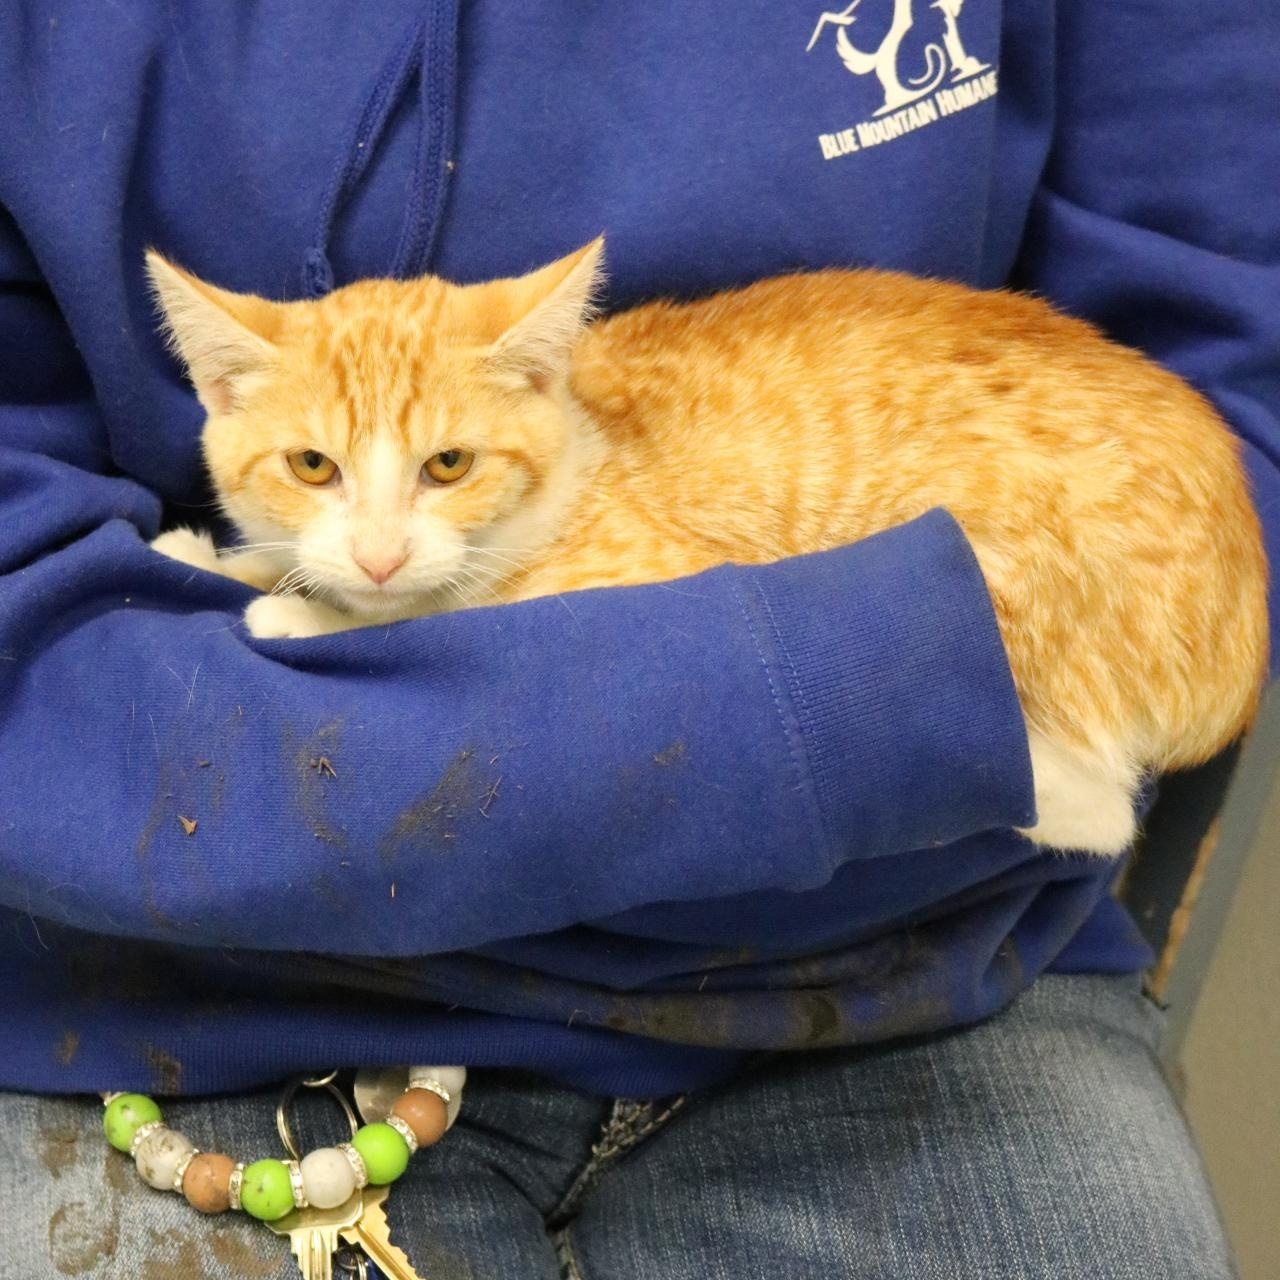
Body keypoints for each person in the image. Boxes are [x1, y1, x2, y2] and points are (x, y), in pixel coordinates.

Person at [1, 3, 1273, 1276]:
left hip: (910, 957)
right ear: (218, 398)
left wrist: (898, 707)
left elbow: (1220, 351)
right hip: (219, 994)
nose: (378, 550)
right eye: (316, 473)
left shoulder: (567, 461)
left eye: (446, 465)